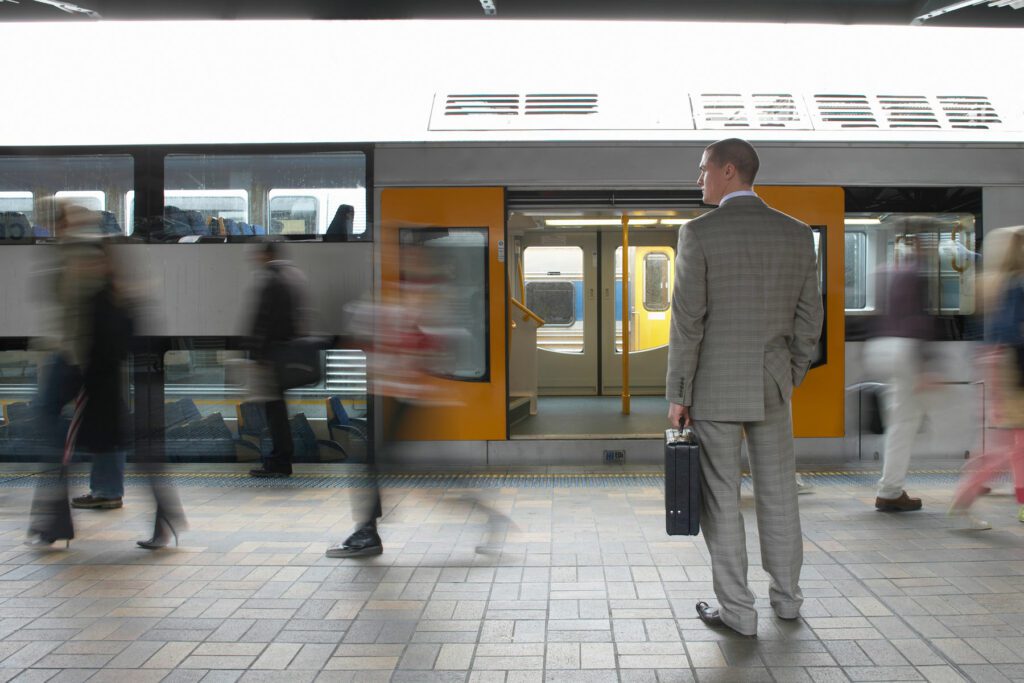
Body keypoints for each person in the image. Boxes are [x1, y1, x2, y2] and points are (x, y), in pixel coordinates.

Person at [666, 138, 823, 637]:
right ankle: (788, 601)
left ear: (728, 171)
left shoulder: (698, 234)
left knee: (721, 498)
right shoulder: (797, 234)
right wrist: (788, 372)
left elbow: (688, 322)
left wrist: (679, 393)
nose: (699, 180)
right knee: (779, 494)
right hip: (771, 385)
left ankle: (738, 611)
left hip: (713, 388)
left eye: (703, 170)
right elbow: (809, 320)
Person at [949, 226, 1024, 528]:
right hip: (1012, 367)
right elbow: (1013, 332)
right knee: (1009, 444)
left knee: (1012, 442)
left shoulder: (992, 283)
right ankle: (966, 496)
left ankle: (1011, 500)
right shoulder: (1016, 284)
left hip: (998, 363)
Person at [863, 226, 941, 512]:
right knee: (904, 424)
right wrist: (925, 366)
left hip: (880, 346)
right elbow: (919, 321)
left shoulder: (887, 271)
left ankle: (891, 486)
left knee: (898, 420)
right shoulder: (919, 273)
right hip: (904, 349)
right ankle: (890, 490)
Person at [246, 241, 311, 478]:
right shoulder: (293, 275)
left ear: (267, 254)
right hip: (286, 352)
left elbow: (263, 319)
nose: (255, 258)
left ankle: (279, 461)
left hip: (271, 356)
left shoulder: (271, 279)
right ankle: (280, 459)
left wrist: (257, 353)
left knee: (275, 411)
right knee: (278, 409)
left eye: (258, 254)